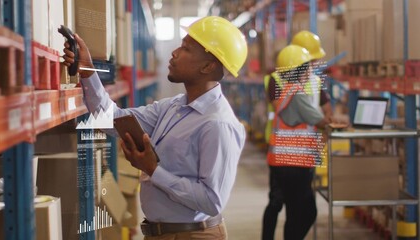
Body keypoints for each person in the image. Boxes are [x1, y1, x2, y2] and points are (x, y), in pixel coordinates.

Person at [63, 16, 248, 239]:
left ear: (207, 66)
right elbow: (112, 119)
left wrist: (154, 170)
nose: (175, 53)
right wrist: (86, 69)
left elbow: (212, 201)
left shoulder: (218, 124)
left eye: (186, 49)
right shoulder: (173, 107)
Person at [261, 45, 330, 240]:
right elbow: (321, 119)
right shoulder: (297, 94)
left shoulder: (289, 91)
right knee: (306, 212)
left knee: (294, 212)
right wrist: (333, 123)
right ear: (298, 69)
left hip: (283, 162)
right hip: (293, 164)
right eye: (308, 66)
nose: (311, 70)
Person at [262, 30, 332, 144]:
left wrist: (325, 132)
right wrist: (325, 124)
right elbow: (290, 112)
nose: (313, 64)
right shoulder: (277, 80)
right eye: (310, 61)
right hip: (286, 144)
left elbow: (327, 109)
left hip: (306, 145)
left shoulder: (315, 80)